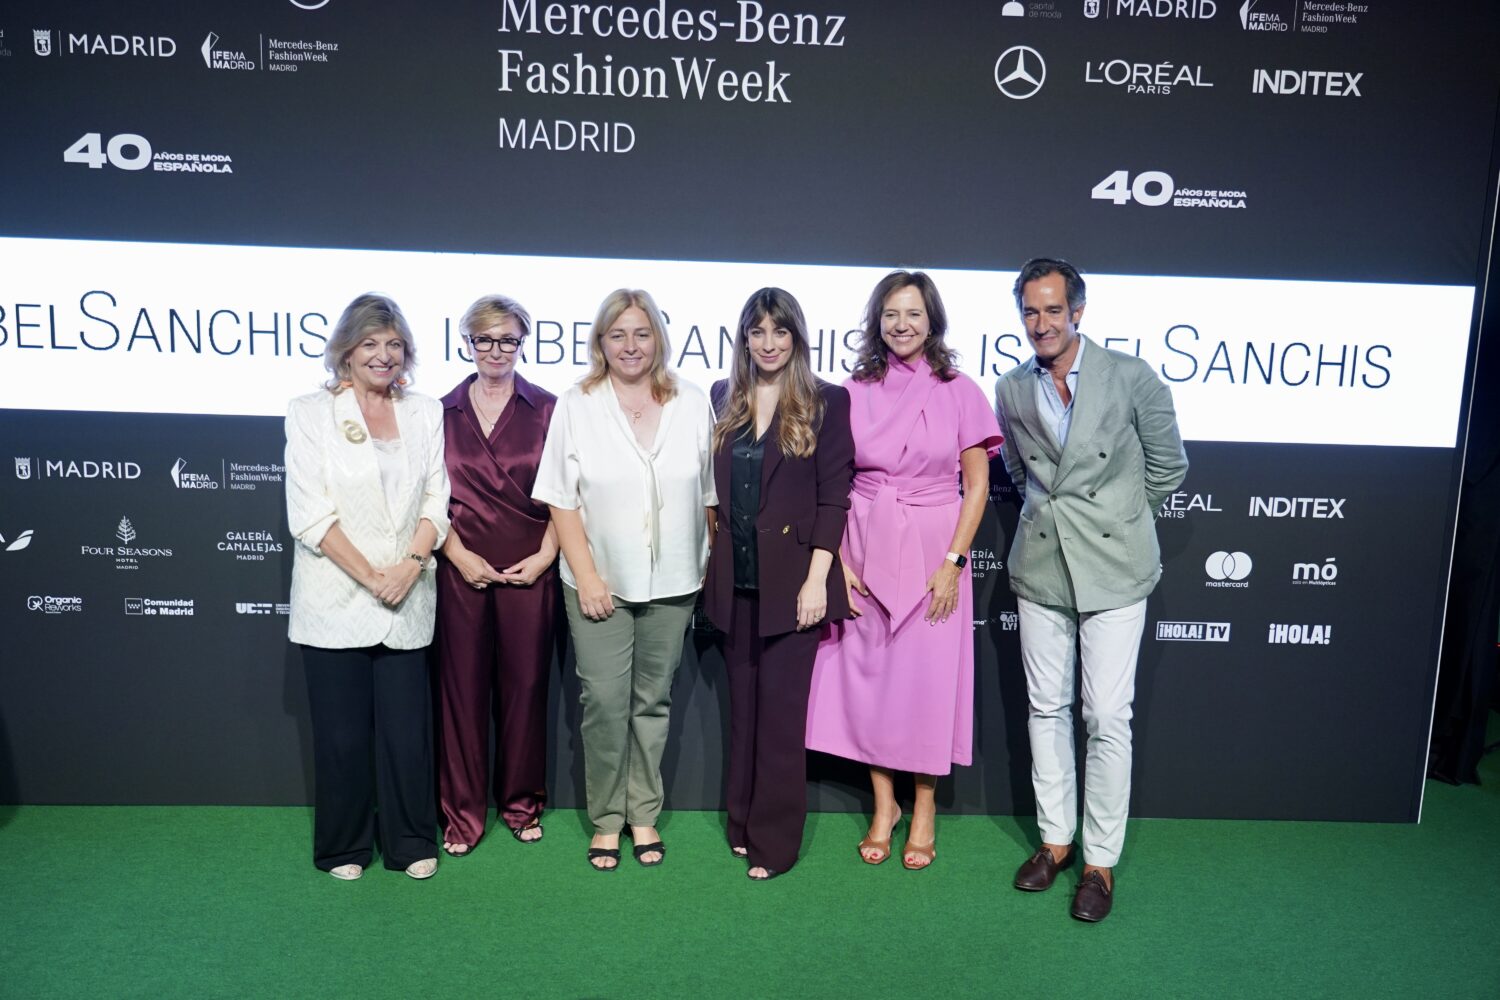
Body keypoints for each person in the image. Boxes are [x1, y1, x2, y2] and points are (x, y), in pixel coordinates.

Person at [994, 258, 1188, 922]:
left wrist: (1122, 522)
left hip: (1114, 567)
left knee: (1106, 715)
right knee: (1046, 708)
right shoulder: (1011, 388)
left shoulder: (1131, 376)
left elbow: (1169, 465)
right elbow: (1016, 467)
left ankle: (1099, 863)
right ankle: (1055, 841)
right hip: (1043, 563)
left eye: (1053, 310)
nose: (1041, 323)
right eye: (1030, 311)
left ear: (1077, 311)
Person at [806, 270, 1002, 871]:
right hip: (863, 542)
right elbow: (829, 481)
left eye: (913, 313)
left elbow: (976, 485)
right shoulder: (851, 390)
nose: (902, 324)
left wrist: (953, 563)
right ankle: (884, 806)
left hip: (934, 549)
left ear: (932, 320)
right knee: (873, 679)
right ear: (877, 321)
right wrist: (839, 561)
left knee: (926, 683)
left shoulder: (959, 390)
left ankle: (924, 808)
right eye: (891, 313)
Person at [531, 288, 716, 872]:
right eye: (618, 335)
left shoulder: (691, 401)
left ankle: (643, 814)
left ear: (658, 337)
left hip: (676, 581)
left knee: (652, 702)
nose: (631, 345)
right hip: (598, 583)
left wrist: (709, 566)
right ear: (601, 343)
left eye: (642, 333)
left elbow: (709, 495)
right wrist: (587, 577)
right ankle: (607, 820)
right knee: (605, 704)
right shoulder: (577, 404)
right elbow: (561, 499)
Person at [284, 292, 451, 881]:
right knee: (342, 737)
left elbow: (436, 497)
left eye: (394, 344)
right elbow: (310, 515)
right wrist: (374, 577)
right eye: (370, 344)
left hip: (408, 594)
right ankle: (343, 847)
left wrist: (410, 565)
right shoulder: (309, 413)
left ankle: (410, 842)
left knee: (407, 737)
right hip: (336, 598)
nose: (383, 355)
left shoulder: (425, 411)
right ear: (346, 352)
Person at [703, 288, 855, 880]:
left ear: (797, 337)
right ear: (744, 338)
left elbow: (833, 498)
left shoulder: (826, 401)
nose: (768, 343)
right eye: (758, 331)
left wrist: (818, 579)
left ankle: (775, 843)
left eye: (780, 331)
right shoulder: (723, 396)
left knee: (781, 721)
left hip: (795, 586)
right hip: (735, 582)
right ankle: (741, 825)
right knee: (744, 715)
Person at [434, 295, 559, 858]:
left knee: (525, 692)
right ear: (467, 342)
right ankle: (461, 814)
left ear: (523, 343)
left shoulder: (549, 409)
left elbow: (568, 494)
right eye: (484, 339)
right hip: (460, 571)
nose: (496, 350)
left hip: (530, 571)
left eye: (507, 339)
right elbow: (424, 496)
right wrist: (458, 555)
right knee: (460, 695)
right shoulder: (439, 412)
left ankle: (521, 804)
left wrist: (547, 556)